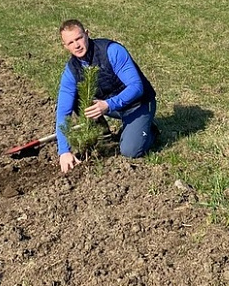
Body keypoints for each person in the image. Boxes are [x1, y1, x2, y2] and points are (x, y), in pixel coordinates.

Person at [55, 19, 157, 173]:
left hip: (138, 104)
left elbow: (137, 87)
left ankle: (151, 131)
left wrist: (108, 104)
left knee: (130, 151)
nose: (76, 45)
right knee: (79, 96)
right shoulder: (71, 71)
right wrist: (64, 151)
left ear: (87, 34)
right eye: (70, 43)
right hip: (109, 106)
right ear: (65, 46)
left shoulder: (111, 51)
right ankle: (104, 136)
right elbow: (63, 112)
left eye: (79, 38)